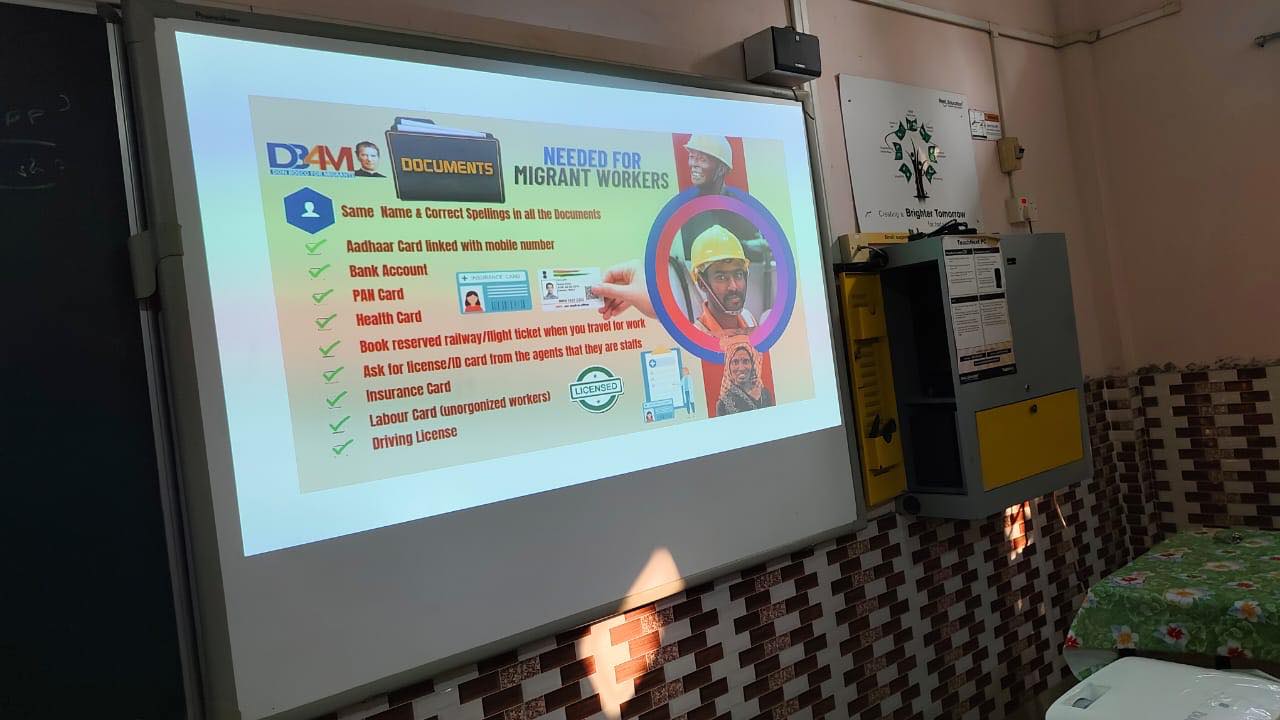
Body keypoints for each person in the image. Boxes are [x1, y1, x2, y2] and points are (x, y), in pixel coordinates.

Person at [679, 135, 764, 260]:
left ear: (721, 169)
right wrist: (745, 246)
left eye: (702, 160)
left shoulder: (743, 210)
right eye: (692, 157)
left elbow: (757, 254)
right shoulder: (684, 210)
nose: (694, 165)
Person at [689, 224, 759, 336]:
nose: (733, 287)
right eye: (721, 277)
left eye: (738, 275)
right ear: (702, 284)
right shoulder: (696, 337)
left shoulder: (748, 319)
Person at [716, 341, 774, 416]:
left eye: (746, 361)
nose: (741, 368)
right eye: (735, 362)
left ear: (752, 365)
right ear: (728, 367)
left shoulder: (765, 394)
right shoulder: (723, 404)